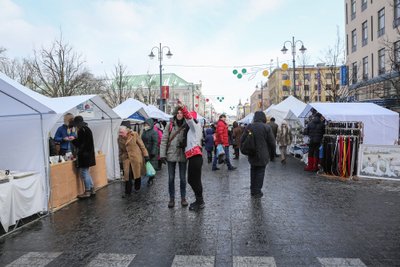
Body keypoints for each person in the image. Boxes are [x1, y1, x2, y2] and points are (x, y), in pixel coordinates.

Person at [241, 111, 276, 198]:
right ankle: (257, 191)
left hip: (252, 153)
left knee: (253, 171)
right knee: (260, 172)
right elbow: (272, 143)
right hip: (263, 154)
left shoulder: (250, 126)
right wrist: (272, 155)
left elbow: (242, 139)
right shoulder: (266, 127)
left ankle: (252, 190)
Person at [159, 108, 188, 208]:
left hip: (183, 154)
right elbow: (164, 140)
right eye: (178, 113)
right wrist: (162, 155)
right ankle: (172, 199)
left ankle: (183, 198)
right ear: (175, 114)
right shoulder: (170, 125)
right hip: (171, 154)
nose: (179, 114)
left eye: (181, 113)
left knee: (183, 179)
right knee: (171, 178)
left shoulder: (187, 124)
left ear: (184, 114)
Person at [178, 103, 205, 211]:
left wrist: (183, 108)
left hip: (195, 156)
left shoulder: (194, 125)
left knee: (194, 180)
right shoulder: (193, 129)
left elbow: (189, 118)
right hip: (193, 156)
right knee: (193, 180)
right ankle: (199, 200)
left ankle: (200, 201)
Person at [118, 126, 149, 197]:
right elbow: (120, 151)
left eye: (121, 132)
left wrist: (146, 155)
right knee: (127, 175)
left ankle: (137, 188)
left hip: (136, 158)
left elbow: (142, 145)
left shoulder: (134, 134)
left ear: (126, 131)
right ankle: (127, 192)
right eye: (119, 132)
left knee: (137, 174)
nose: (120, 134)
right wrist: (120, 161)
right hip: (126, 159)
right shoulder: (119, 139)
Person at [71, 116, 96, 199]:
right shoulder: (87, 129)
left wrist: (73, 139)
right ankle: (92, 189)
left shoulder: (82, 130)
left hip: (85, 155)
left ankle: (87, 191)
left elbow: (80, 144)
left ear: (78, 124)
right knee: (86, 172)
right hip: (88, 154)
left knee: (84, 173)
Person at [141, 118, 159, 184]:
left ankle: (151, 177)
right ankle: (149, 176)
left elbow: (155, 143)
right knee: (147, 165)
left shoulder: (154, 132)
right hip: (145, 151)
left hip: (151, 151)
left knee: (151, 165)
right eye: (145, 124)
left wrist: (153, 152)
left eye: (147, 124)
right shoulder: (144, 132)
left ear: (150, 124)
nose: (146, 125)